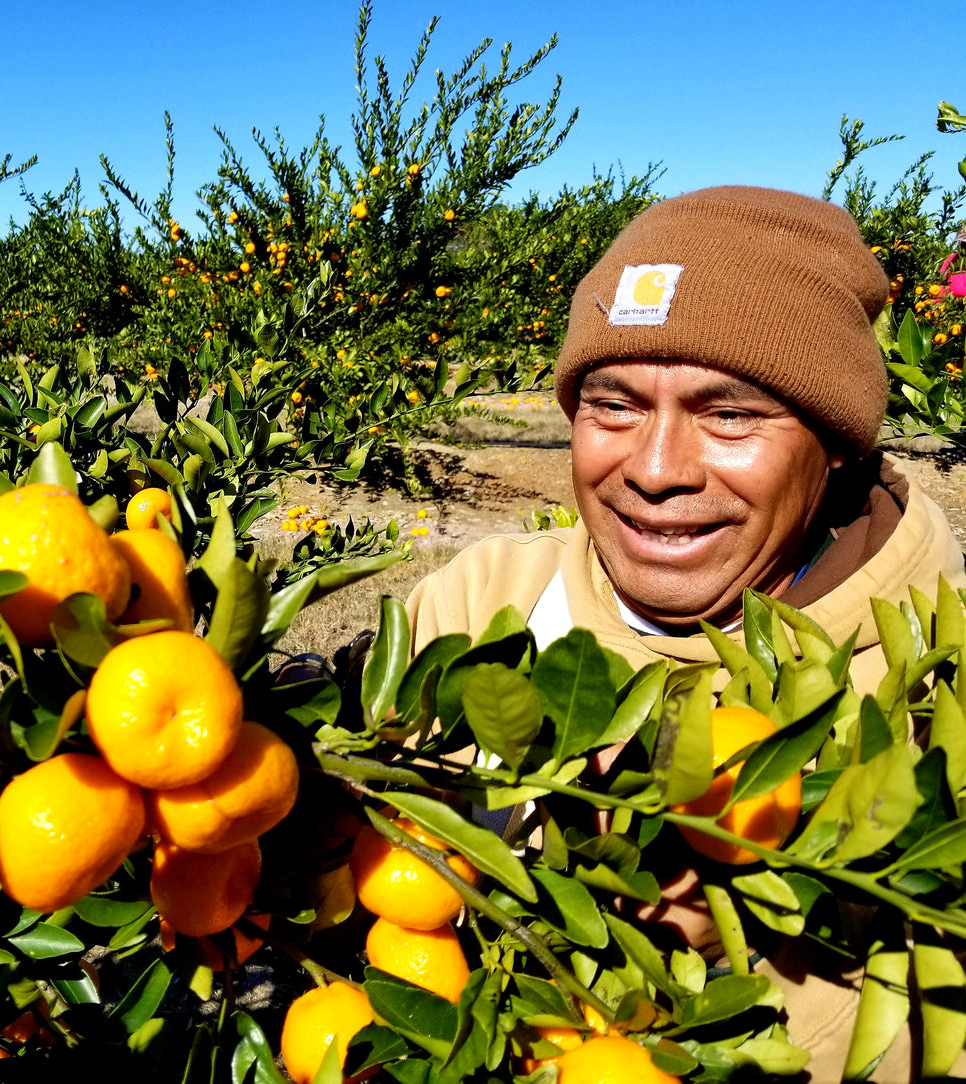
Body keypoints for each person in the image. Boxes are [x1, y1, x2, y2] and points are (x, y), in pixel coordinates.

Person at [405, 186, 966, 1080]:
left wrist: (737, 950)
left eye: (730, 413)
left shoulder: (940, 686)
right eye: (612, 405)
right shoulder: (476, 607)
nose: (655, 469)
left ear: (833, 444)